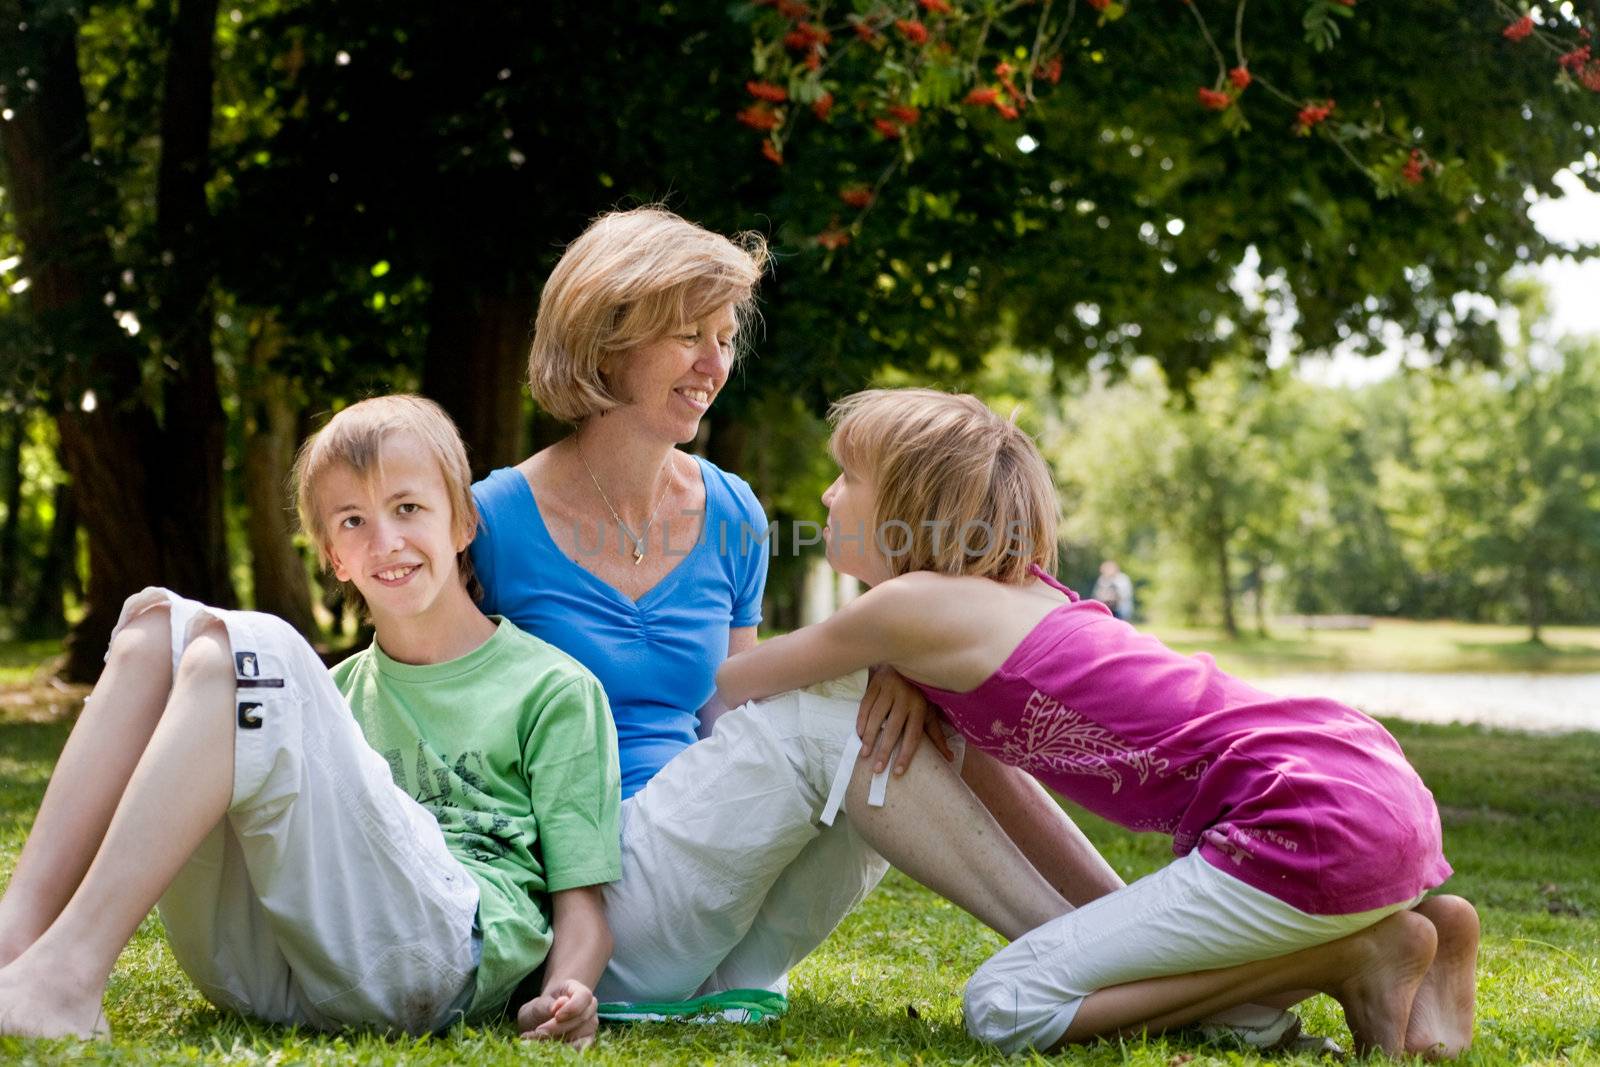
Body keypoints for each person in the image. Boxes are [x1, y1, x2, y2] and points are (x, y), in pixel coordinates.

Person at [469, 207, 1138, 1016]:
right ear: (606, 336)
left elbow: (731, 712)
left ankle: (1136, 936)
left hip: (718, 913)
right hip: (590, 906)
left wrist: (904, 675)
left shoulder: (732, 512)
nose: (714, 364)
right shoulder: (492, 521)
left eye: (724, 338)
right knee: (854, 708)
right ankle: (1100, 962)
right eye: (689, 335)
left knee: (914, 705)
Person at [715, 387, 1480, 1059]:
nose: (824, 498)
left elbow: (730, 682)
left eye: (848, 478)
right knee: (1101, 972)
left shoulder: (905, 609)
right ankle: (1422, 946)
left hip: (1301, 816)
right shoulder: (1017, 595)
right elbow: (997, 780)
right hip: (1356, 780)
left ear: (907, 509)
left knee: (1006, 1005)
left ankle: (1354, 959)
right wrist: (894, 667)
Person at [0, 396, 620, 1046]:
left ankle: (67, 976)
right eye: (353, 521)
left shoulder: (554, 689)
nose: (385, 541)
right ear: (333, 558)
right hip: (278, 966)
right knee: (157, 631)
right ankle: (16, 941)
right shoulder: (331, 694)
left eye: (408, 507)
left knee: (256, 655)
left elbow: (586, 911)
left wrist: (564, 993)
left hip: (437, 954)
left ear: (463, 521)